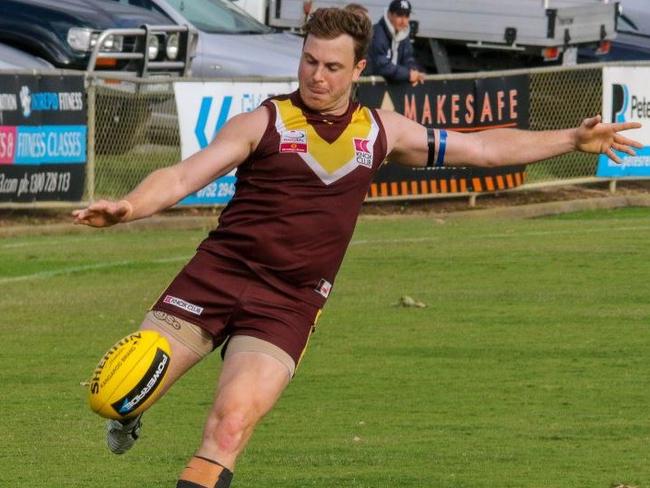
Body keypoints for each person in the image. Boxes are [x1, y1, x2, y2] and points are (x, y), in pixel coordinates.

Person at [73, 7, 641, 488]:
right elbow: (180, 176)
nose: (317, 76)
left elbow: (485, 150)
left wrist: (571, 138)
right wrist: (129, 206)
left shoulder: (380, 131)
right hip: (216, 277)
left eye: (332, 66)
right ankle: (132, 413)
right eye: (309, 62)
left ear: (359, 68)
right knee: (117, 396)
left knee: (229, 426)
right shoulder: (262, 122)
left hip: (288, 303)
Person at [366, 0, 425, 86]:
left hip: (388, 87)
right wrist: (408, 74)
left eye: (406, 16)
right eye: (399, 15)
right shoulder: (377, 33)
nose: (403, 21)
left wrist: (414, 72)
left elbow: (408, 58)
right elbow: (382, 66)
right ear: (389, 14)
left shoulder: (403, 34)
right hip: (369, 87)